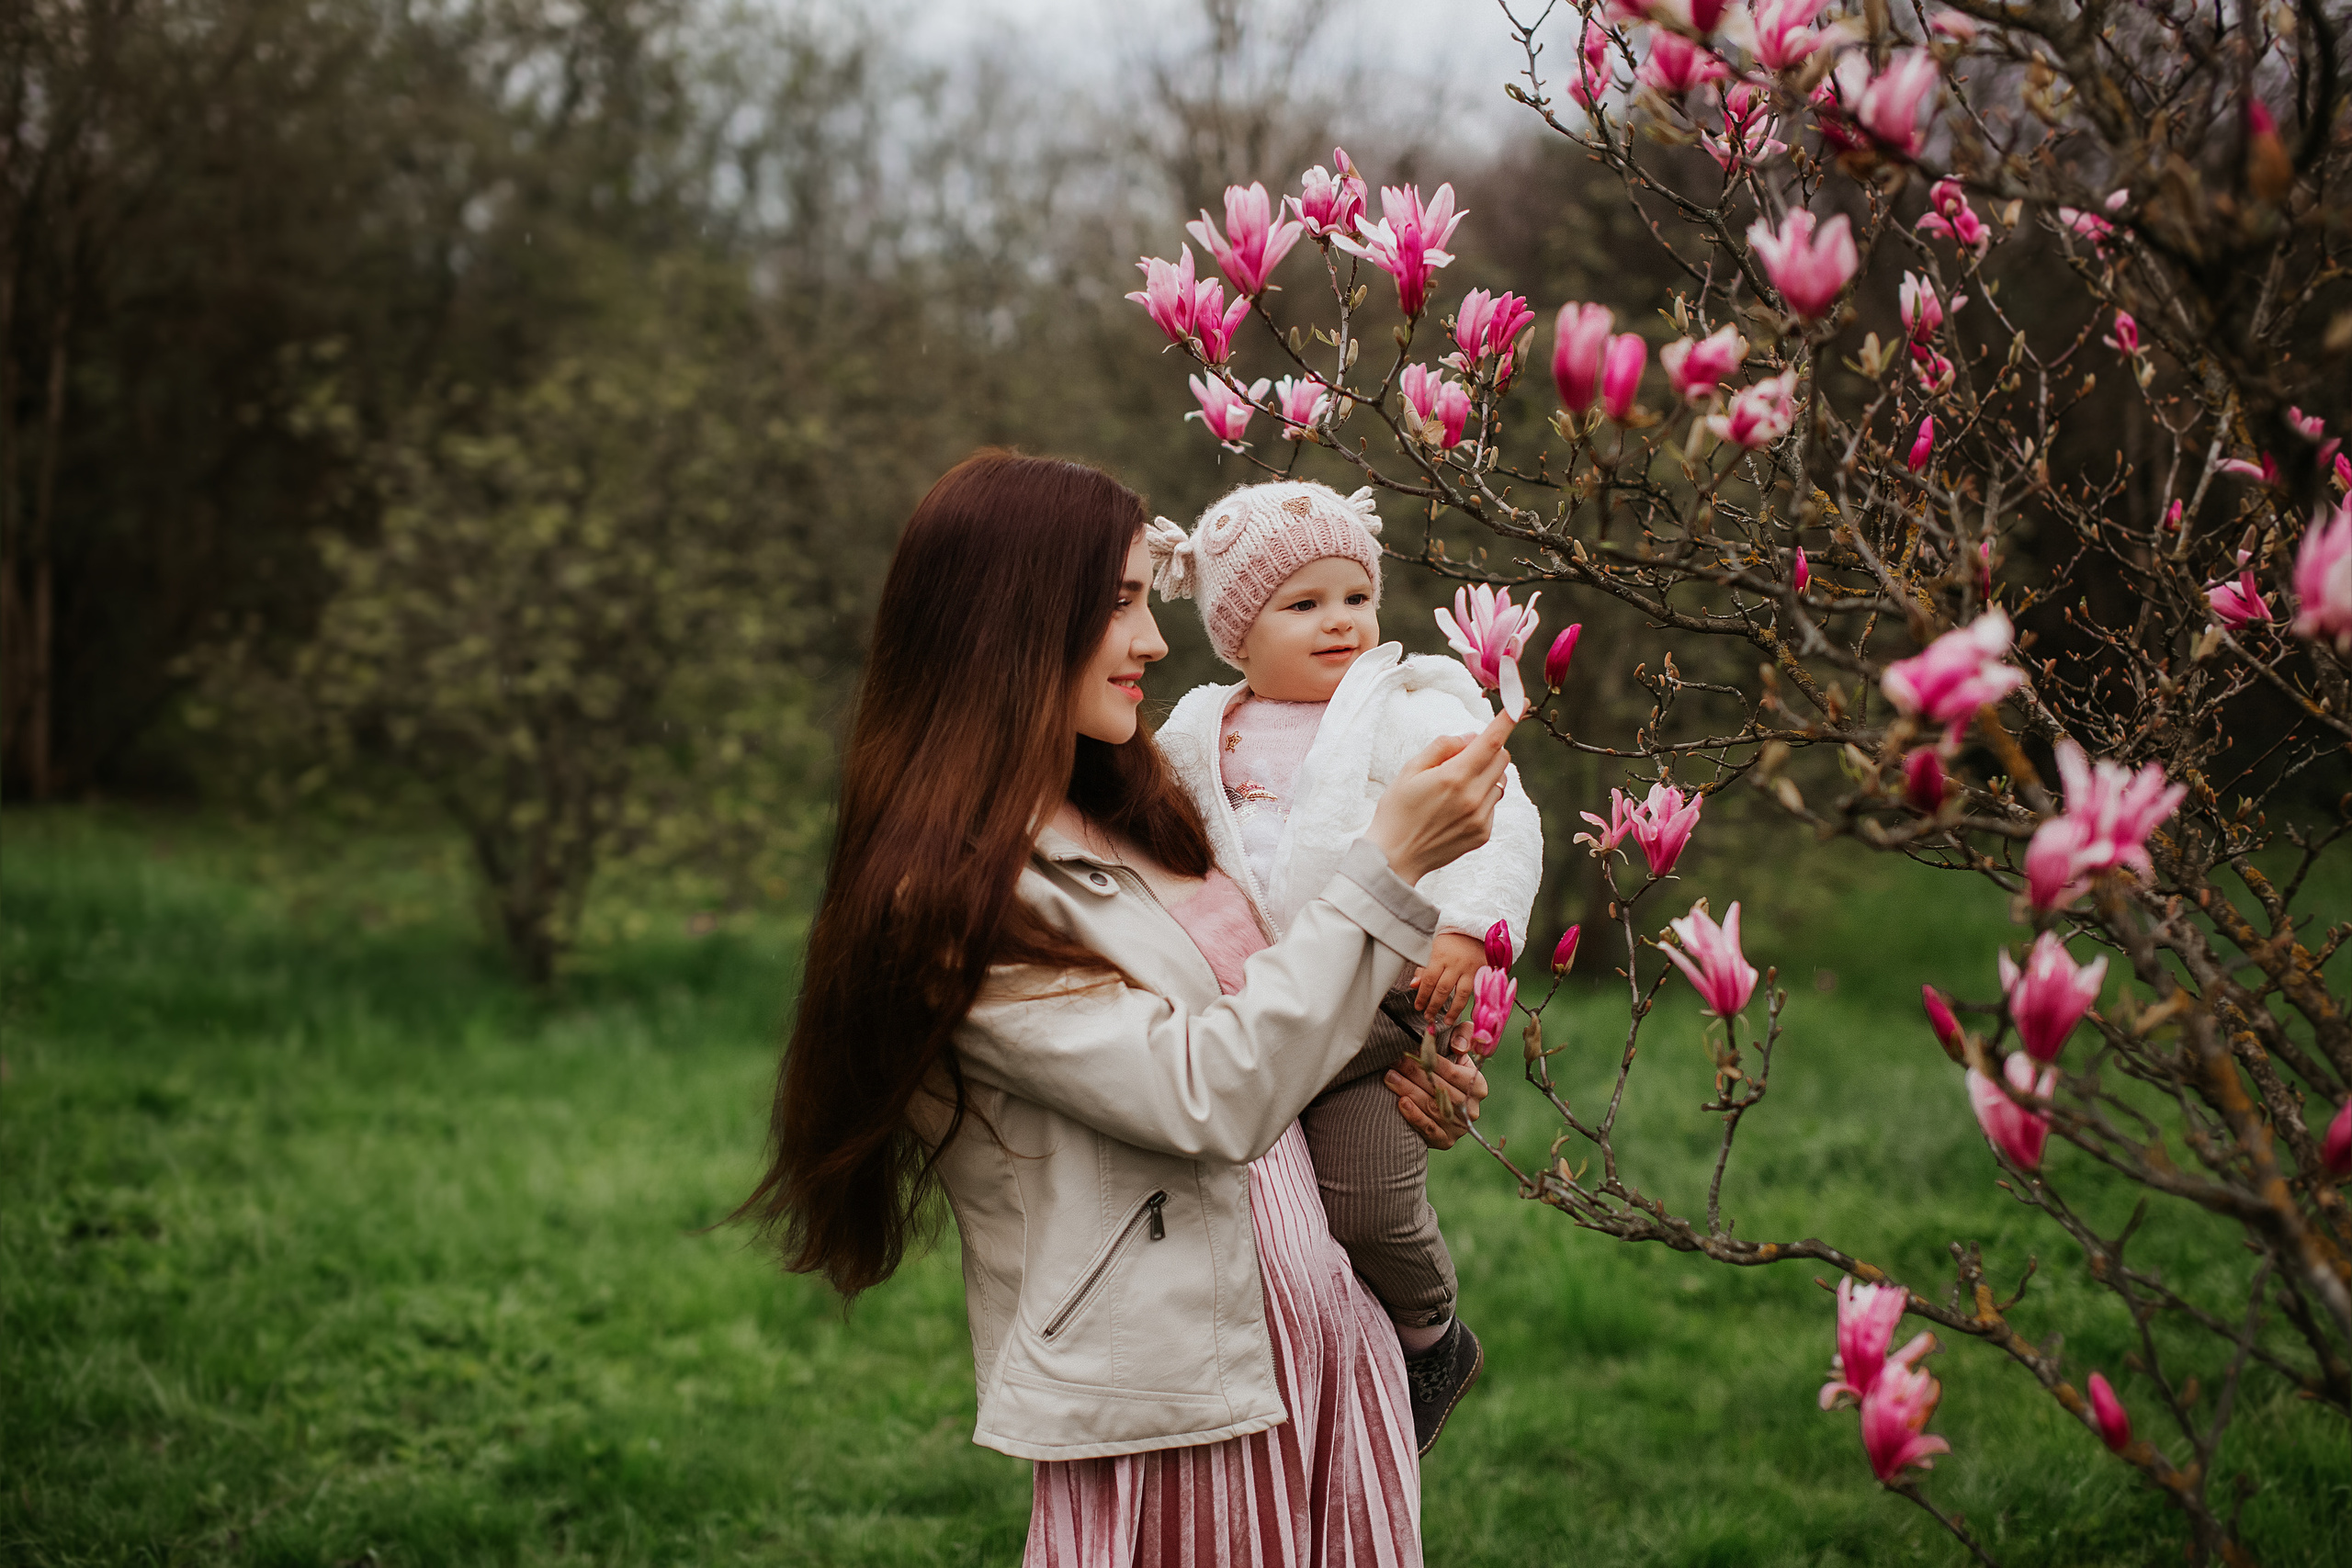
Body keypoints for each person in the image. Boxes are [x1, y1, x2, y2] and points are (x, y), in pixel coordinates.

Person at [737, 451, 1512, 1566]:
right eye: (1119, 606)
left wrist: (1393, 1056)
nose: (1154, 642)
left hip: (1323, 1345)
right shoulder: (951, 899)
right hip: (1183, 1409)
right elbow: (1207, 1093)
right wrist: (1388, 868)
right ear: (1009, 622)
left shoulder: (1136, 808)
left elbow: (1269, 1036)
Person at [1146, 479, 1542, 1454]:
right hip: (1261, 1009)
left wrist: (1465, 929)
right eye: (1304, 605)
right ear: (1236, 635)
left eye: (1355, 599)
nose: (1340, 623)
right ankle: (1305, 1381)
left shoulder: (1402, 712)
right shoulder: (1200, 732)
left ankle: (1431, 1334)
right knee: (1276, 1229)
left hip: (1380, 1010)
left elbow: (1500, 816)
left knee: (1369, 1206)